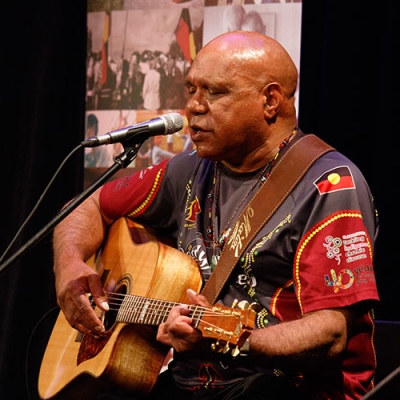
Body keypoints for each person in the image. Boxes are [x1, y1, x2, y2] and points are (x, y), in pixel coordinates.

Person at [52, 31, 380, 399]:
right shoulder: (188, 168)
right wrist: (69, 266)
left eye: (215, 92)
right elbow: (87, 204)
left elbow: (331, 333)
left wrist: (231, 336)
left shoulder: (329, 185)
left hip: (286, 386)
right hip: (189, 382)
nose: (194, 106)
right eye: (192, 90)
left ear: (270, 100)